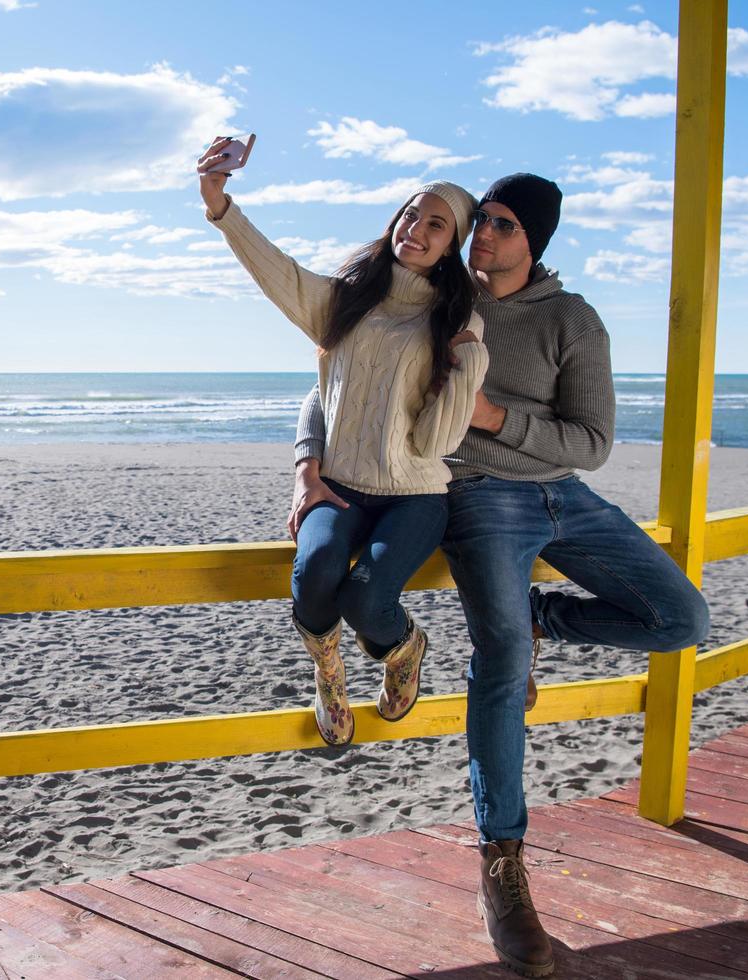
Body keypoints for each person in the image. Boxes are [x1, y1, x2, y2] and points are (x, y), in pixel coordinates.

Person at [291, 173, 711, 977]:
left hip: (566, 496)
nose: (483, 234)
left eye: (504, 224)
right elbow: (335, 383)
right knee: (498, 670)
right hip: (476, 498)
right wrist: (308, 466)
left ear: (535, 241)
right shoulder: (436, 296)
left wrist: (490, 415)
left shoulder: (570, 320)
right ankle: (503, 864)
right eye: (479, 219)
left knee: (682, 620)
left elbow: (587, 443)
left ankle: (544, 619)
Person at [197, 137, 489, 749]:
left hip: (414, 496)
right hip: (340, 485)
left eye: (437, 224)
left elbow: (436, 440)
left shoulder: (457, 322)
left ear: (452, 243)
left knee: (366, 598)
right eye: (411, 214)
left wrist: (469, 366)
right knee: (315, 571)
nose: (418, 229)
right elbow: (280, 278)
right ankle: (328, 673)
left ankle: (404, 647)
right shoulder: (345, 301)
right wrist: (221, 203)